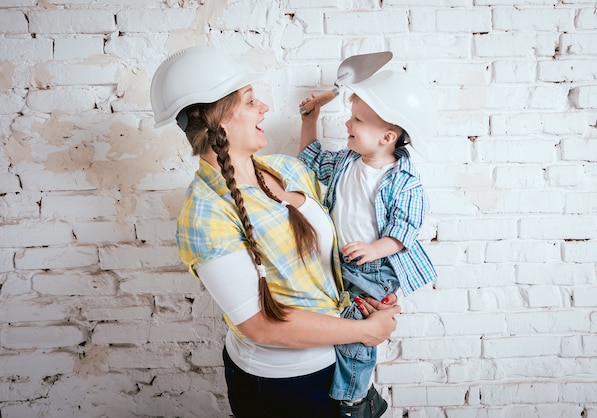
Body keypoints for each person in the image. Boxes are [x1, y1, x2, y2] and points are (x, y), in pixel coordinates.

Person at [149, 45, 401, 418]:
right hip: (283, 386)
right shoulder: (205, 215)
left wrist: (370, 298)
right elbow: (260, 326)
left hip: (336, 361)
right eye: (251, 100)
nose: (265, 107)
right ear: (220, 119)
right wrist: (365, 333)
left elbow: (330, 253)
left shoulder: (286, 169)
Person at [299, 69, 438, 418]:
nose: (348, 123)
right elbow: (309, 160)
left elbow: (406, 229)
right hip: (338, 262)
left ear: (386, 137)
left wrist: (374, 250)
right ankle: (355, 390)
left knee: (356, 328)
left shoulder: (403, 181)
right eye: (351, 116)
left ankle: (353, 400)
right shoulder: (346, 162)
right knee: (331, 321)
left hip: (372, 269)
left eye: (357, 119)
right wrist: (310, 118)